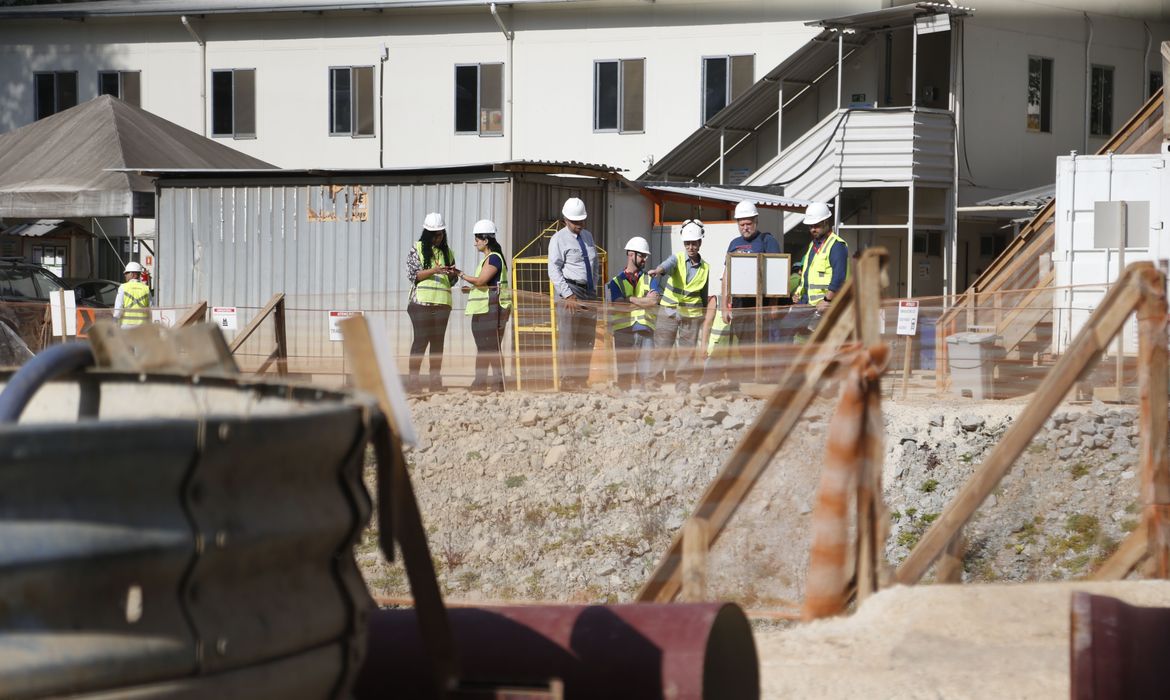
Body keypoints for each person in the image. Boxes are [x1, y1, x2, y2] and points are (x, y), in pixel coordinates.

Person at [648, 219, 712, 393]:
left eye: (694, 243)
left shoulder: (705, 268)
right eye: (687, 243)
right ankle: (652, 385)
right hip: (668, 311)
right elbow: (667, 265)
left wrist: (704, 314)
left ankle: (682, 386)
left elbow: (703, 293)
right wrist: (658, 270)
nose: (690, 247)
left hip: (691, 315)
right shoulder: (677, 258)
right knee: (661, 349)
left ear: (700, 243)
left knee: (687, 354)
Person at [547, 197, 599, 390]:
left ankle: (581, 379)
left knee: (586, 337)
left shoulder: (588, 236)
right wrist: (567, 295)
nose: (579, 225)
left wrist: (594, 286)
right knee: (569, 338)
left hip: (588, 291)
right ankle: (567, 380)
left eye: (581, 221)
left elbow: (594, 263)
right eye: (575, 221)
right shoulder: (558, 239)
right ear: (565, 220)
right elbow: (554, 269)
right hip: (570, 290)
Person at [405, 212, 458, 393]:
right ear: (427, 234)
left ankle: (435, 380)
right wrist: (434, 270)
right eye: (435, 235)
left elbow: (452, 281)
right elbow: (414, 275)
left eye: (441, 234)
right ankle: (414, 381)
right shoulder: (417, 248)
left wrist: (452, 274)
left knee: (437, 343)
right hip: (421, 304)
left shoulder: (448, 252)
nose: (438, 237)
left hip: (442, 304)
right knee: (420, 341)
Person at [722, 200, 782, 350]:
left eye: (748, 224)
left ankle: (762, 374)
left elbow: (777, 274)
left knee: (762, 347)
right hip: (740, 305)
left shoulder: (768, 241)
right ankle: (746, 373)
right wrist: (724, 306)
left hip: (761, 305)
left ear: (756, 221)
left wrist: (774, 306)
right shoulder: (733, 243)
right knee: (744, 345)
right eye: (741, 225)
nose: (745, 228)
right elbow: (726, 277)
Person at [460, 219, 512, 392]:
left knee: (490, 347)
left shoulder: (494, 259)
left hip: (492, 310)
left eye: (477, 240)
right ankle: (484, 383)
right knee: (486, 348)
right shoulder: (489, 259)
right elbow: (484, 285)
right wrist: (470, 289)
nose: (475, 243)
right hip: (486, 309)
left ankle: (493, 383)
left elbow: (482, 280)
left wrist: (462, 275)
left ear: (486, 240)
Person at [787, 201, 849, 340]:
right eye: (810, 226)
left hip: (823, 305)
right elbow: (808, 274)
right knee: (786, 329)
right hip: (807, 303)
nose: (813, 229)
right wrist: (798, 293)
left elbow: (839, 277)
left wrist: (827, 300)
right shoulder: (813, 245)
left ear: (826, 222)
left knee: (815, 340)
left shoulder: (836, 245)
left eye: (817, 225)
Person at [607, 236, 659, 390]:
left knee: (647, 377)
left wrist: (629, 299)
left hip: (645, 330)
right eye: (642, 255)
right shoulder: (615, 282)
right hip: (623, 331)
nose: (644, 259)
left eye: (645, 256)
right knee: (624, 376)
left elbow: (653, 301)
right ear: (631, 254)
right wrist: (642, 300)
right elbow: (618, 305)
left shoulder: (650, 278)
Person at [113, 261, 151, 328]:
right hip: (142, 326)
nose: (125, 275)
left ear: (133, 274)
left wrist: (114, 322)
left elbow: (118, 309)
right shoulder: (146, 288)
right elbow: (151, 308)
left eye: (127, 273)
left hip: (126, 325)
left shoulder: (123, 287)